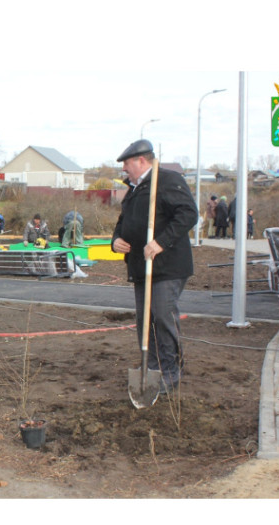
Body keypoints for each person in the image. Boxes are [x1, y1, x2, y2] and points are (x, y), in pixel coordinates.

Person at [111, 140, 198, 395]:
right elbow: (122, 223)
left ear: (141, 161)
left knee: (161, 315)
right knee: (144, 320)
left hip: (167, 266)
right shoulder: (134, 189)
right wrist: (115, 241)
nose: (125, 169)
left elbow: (188, 214)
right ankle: (150, 367)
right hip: (140, 267)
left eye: (127, 164)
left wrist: (161, 242)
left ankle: (170, 370)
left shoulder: (167, 180)